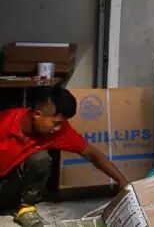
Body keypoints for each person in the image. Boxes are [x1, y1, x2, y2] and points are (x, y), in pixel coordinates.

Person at [0, 85, 129, 227]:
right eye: (56, 123)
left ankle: (25, 208)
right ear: (37, 115)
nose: (58, 128)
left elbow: (91, 153)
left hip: (12, 186)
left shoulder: (59, 132)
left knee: (40, 158)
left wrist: (121, 180)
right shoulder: (4, 123)